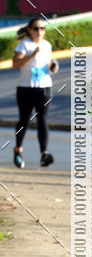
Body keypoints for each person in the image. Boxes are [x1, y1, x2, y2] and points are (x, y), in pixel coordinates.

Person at [12, 17, 59, 168]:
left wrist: (53, 66)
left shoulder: (47, 45)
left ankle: (44, 154)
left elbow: (48, 63)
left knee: (43, 120)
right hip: (26, 88)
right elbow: (15, 64)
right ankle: (18, 149)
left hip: (44, 87)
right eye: (36, 28)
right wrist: (31, 55)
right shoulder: (24, 45)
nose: (39, 31)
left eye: (42, 28)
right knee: (24, 120)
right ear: (30, 30)